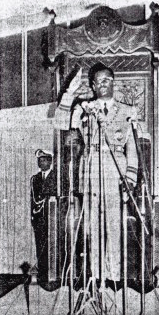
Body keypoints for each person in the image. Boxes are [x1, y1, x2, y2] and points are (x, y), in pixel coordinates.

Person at [55, 62, 138, 283]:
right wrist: (69, 93)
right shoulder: (84, 108)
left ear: (113, 82)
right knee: (93, 225)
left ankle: (114, 278)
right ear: (92, 85)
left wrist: (130, 178)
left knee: (113, 223)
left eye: (107, 80)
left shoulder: (128, 111)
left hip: (115, 171)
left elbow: (133, 150)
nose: (103, 84)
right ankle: (97, 277)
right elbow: (60, 123)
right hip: (91, 170)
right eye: (98, 80)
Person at [30, 149, 57, 281]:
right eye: (39, 160)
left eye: (44, 160)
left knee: (52, 245)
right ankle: (42, 272)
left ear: (50, 161)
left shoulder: (56, 177)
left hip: (52, 218)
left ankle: (53, 273)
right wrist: (33, 217)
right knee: (39, 244)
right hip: (39, 217)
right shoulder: (35, 179)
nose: (41, 162)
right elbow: (33, 200)